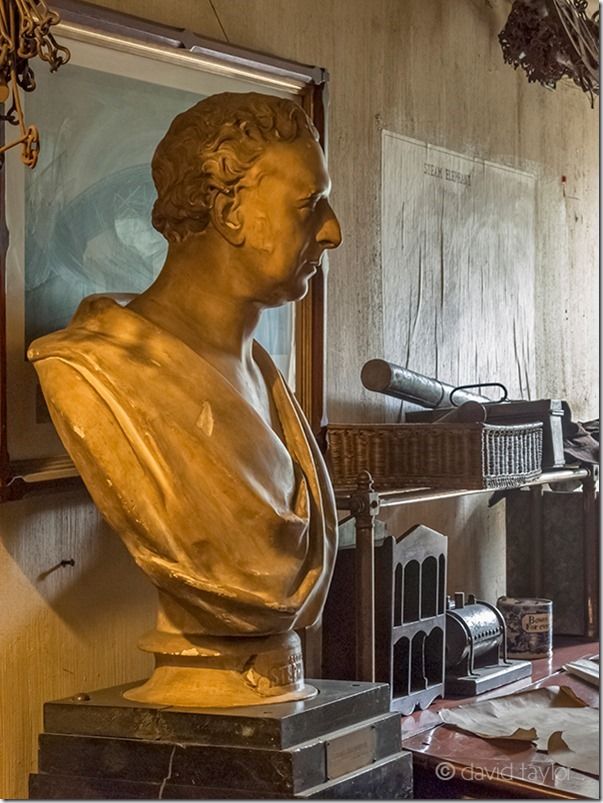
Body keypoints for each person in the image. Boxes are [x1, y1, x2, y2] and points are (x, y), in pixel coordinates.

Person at [28, 92, 342, 707]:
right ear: (228, 210)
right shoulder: (96, 368)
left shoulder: (264, 377)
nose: (332, 230)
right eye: (308, 205)